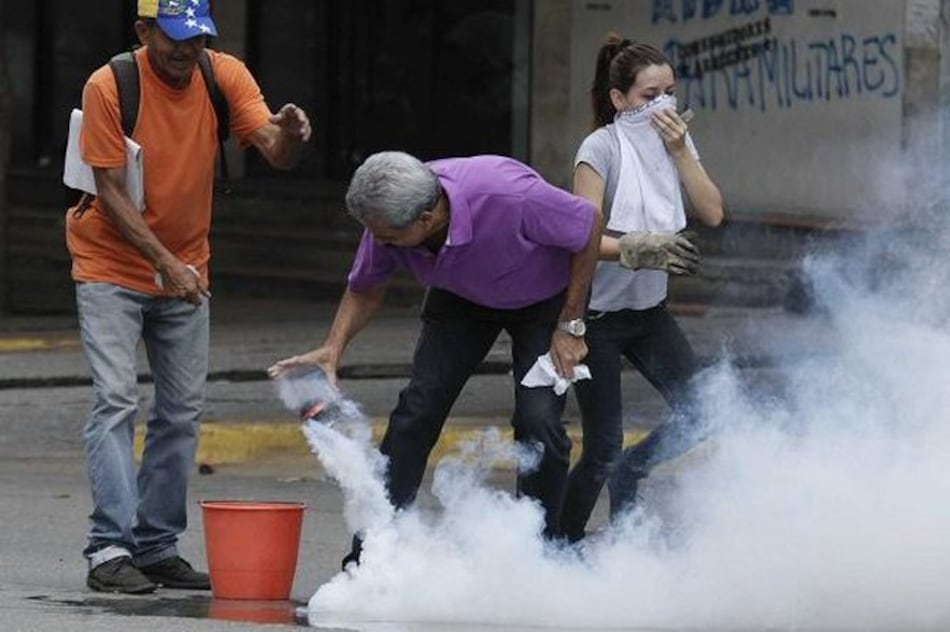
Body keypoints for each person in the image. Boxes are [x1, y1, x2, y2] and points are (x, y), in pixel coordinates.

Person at [66, 0, 311, 594]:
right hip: (110, 265)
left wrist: (292, 137)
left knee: (180, 412)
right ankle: (109, 549)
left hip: (186, 268)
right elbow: (110, 191)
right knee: (116, 400)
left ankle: (154, 545)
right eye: (173, 38)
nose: (185, 51)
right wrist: (165, 264)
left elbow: (273, 151)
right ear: (143, 30)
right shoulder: (110, 84)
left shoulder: (221, 73)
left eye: (196, 39)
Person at [269, 151, 602, 565]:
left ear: (427, 220)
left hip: (541, 299)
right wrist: (334, 347)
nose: (381, 244)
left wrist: (571, 324)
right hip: (460, 296)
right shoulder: (387, 218)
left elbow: (588, 228)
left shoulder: (511, 195)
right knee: (417, 410)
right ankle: (372, 554)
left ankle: (539, 556)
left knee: (539, 420)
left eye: (389, 239)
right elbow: (365, 286)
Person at [558, 35, 724, 543]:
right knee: (602, 445)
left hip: (650, 314)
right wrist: (633, 247)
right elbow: (581, 236)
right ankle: (558, 545)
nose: (663, 105)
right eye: (649, 95)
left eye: (669, 92)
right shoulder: (600, 148)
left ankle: (635, 470)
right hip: (599, 319)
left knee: (704, 412)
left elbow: (713, 212)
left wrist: (679, 150)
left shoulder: (674, 143)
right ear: (619, 100)